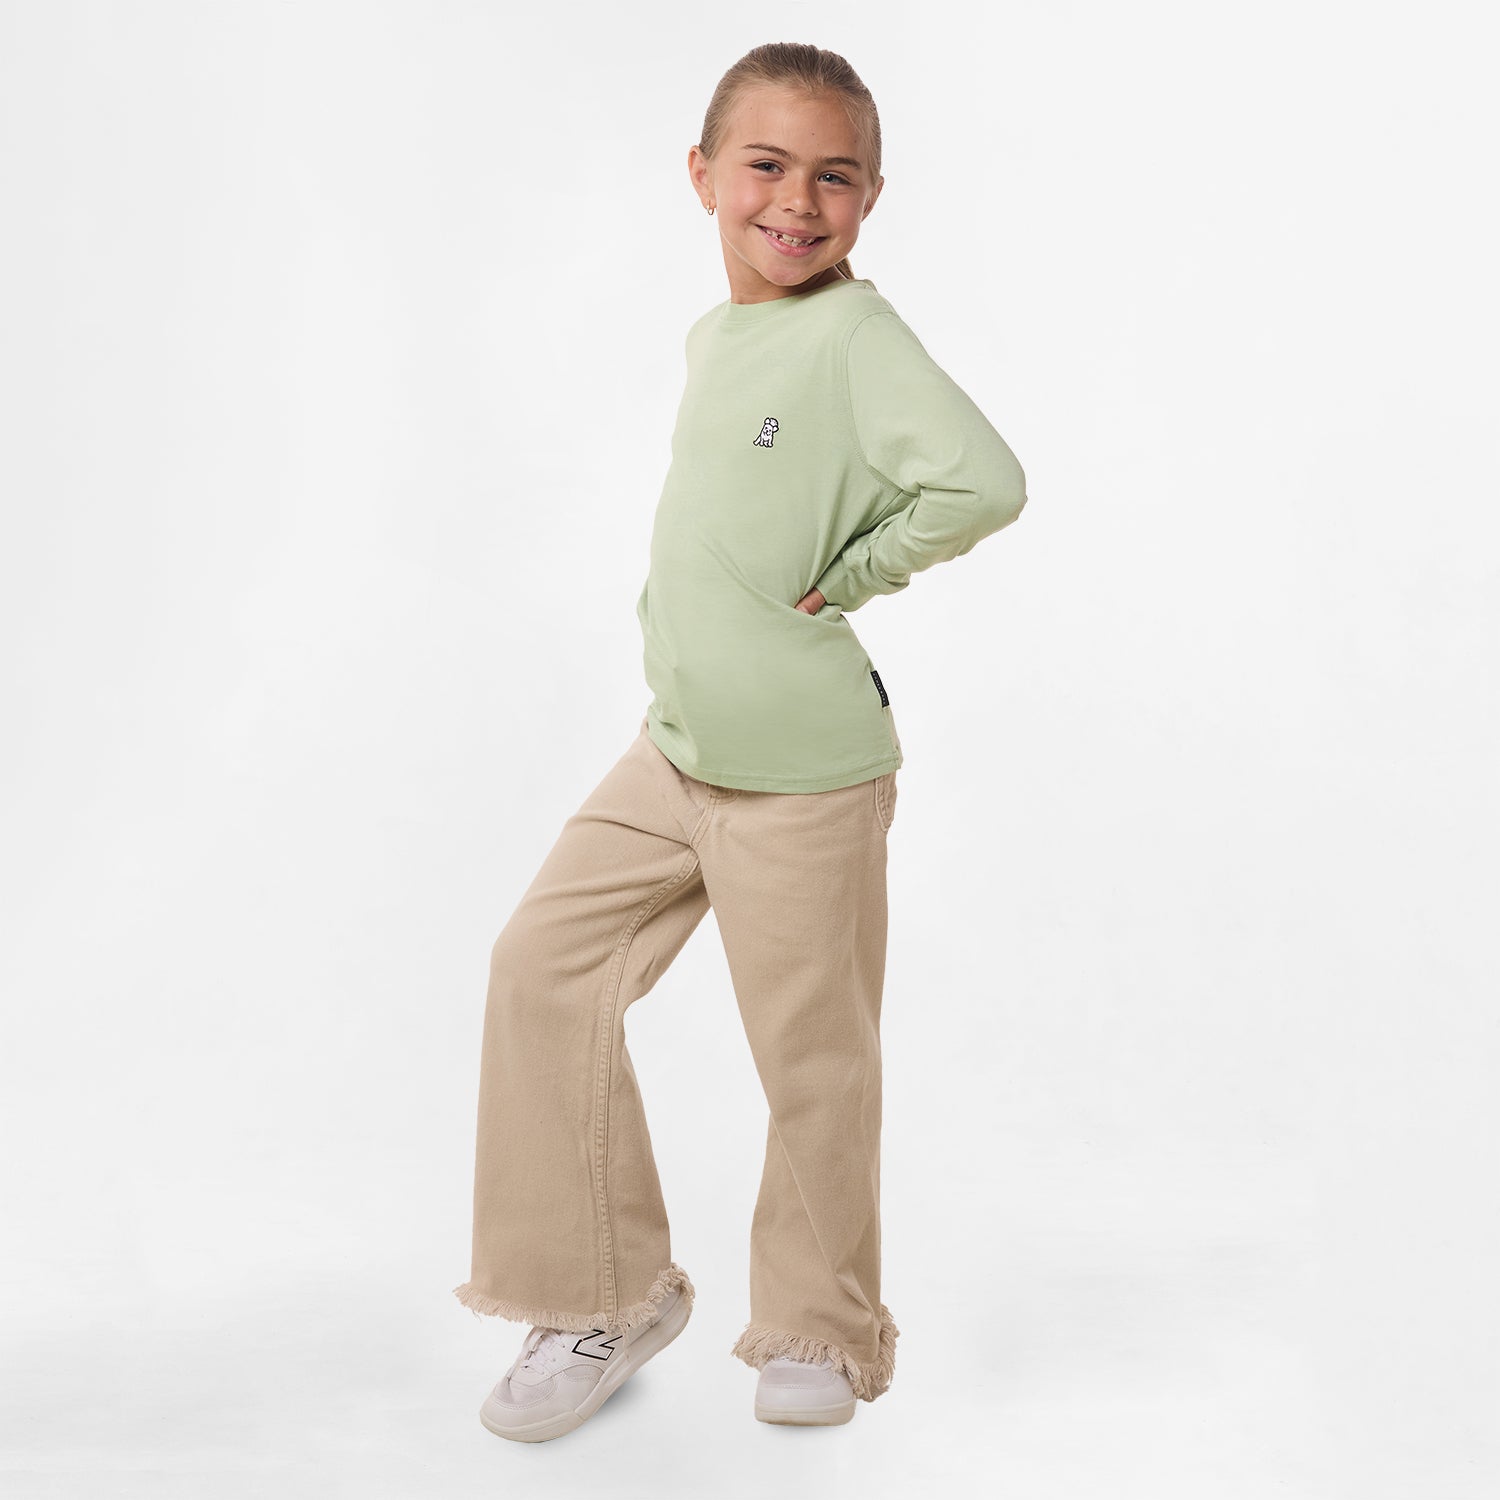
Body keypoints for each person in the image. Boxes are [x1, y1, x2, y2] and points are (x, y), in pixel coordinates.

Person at [453, 40, 1028, 1442]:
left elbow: (986, 479)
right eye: (765, 165)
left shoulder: (855, 335)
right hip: (675, 751)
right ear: (704, 174)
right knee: (542, 967)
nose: (797, 200)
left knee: (810, 1053)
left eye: (834, 176)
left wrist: (861, 570)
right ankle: (607, 1290)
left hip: (805, 775)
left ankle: (824, 1329)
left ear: (872, 196)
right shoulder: (718, 337)